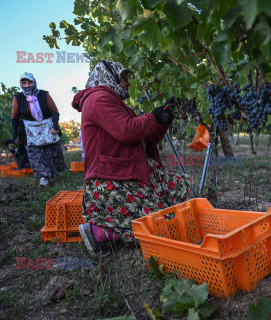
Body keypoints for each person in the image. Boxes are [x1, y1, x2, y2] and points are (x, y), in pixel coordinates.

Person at [72, 60, 191, 256]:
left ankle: (109, 227)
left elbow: (142, 139)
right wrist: (153, 116)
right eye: (123, 78)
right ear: (109, 76)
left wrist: (164, 118)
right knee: (161, 226)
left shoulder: (111, 101)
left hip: (129, 172)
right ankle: (100, 232)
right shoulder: (98, 99)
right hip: (113, 180)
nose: (127, 83)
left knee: (182, 193)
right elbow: (127, 131)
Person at [11, 72, 66, 186]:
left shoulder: (43, 94)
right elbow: (15, 117)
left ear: (34, 82)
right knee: (35, 154)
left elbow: (54, 111)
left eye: (29, 82)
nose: (27, 85)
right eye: (24, 83)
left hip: (46, 127)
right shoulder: (18, 98)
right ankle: (43, 177)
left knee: (50, 151)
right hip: (29, 130)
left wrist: (55, 126)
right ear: (21, 84)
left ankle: (53, 173)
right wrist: (15, 134)